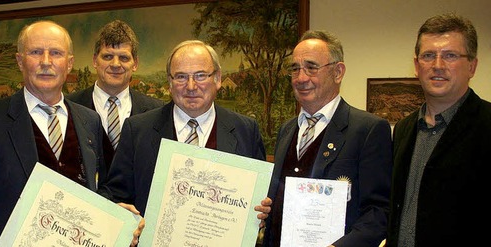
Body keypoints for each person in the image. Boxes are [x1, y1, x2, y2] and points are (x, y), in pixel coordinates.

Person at [0, 20, 107, 245]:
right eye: (36, 52)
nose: (46, 62)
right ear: (19, 61)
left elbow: (98, 189)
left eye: (56, 53)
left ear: (69, 63)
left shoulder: (90, 120)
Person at [98, 39, 269, 224]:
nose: (191, 86)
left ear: (218, 79)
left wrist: (262, 210)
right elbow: (115, 194)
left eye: (200, 75)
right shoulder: (138, 130)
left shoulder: (246, 131)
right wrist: (115, 209)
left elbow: (260, 197)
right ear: (170, 83)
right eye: (180, 77)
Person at [262, 30, 392, 247]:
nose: (302, 78)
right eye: (295, 69)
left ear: (338, 72)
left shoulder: (368, 130)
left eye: (311, 67)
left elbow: (379, 213)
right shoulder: (286, 130)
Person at [386, 13, 488, 247]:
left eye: (450, 55)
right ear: (416, 65)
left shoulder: (486, 125)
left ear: (472, 66)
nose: (437, 66)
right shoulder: (403, 129)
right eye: (428, 56)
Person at [67, 19, 163, 164]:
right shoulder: (68, 106)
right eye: (107, 56)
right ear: (94, 61)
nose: (115, 64)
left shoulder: (157, 110)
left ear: (135, 63)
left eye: (123, 57)